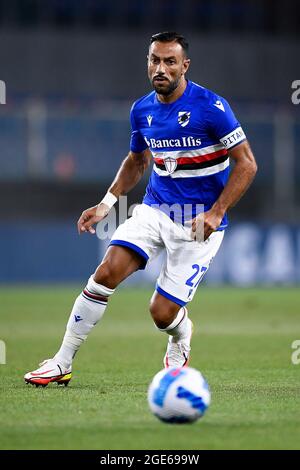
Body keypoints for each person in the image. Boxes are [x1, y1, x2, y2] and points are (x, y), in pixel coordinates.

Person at [24, 32, 257, 387]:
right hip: (155, 209)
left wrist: (215, 212)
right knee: (105, 273)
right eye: (154, 60)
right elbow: (137, 161)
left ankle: (181, 335)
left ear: (185, 66)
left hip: (198, 223)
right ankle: (61, 361)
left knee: (161, 314)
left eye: (169, 61)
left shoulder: (212, 108)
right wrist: (106, 203)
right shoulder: (142, 109)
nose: (160, 68)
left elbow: (247, 165)